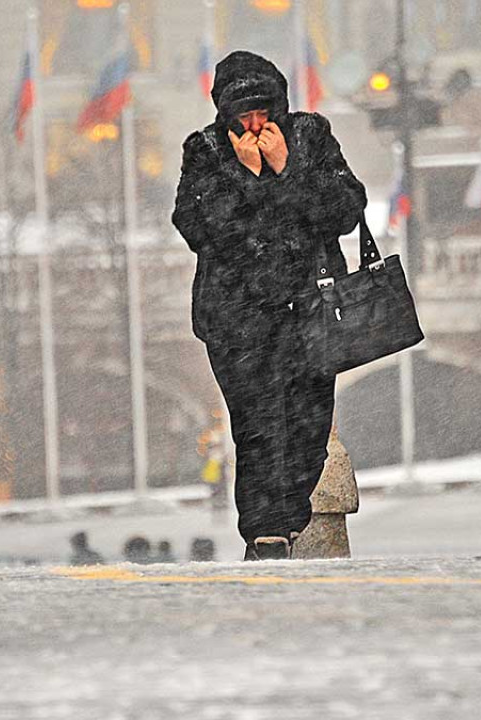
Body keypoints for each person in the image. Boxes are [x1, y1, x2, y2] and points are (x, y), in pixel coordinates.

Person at [171, 51, 366, 560]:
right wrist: (247, 176)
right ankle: (265, 534)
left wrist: (285, 171)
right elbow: (200, 227)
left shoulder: (310, 137)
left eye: (262, 111)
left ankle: (288, 521)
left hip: (310, 314)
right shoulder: (207, 151)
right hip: (238, 320)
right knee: (257, 428)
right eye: (243, 115)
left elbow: (345, 209)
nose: (255, 124)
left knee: (308, 427)